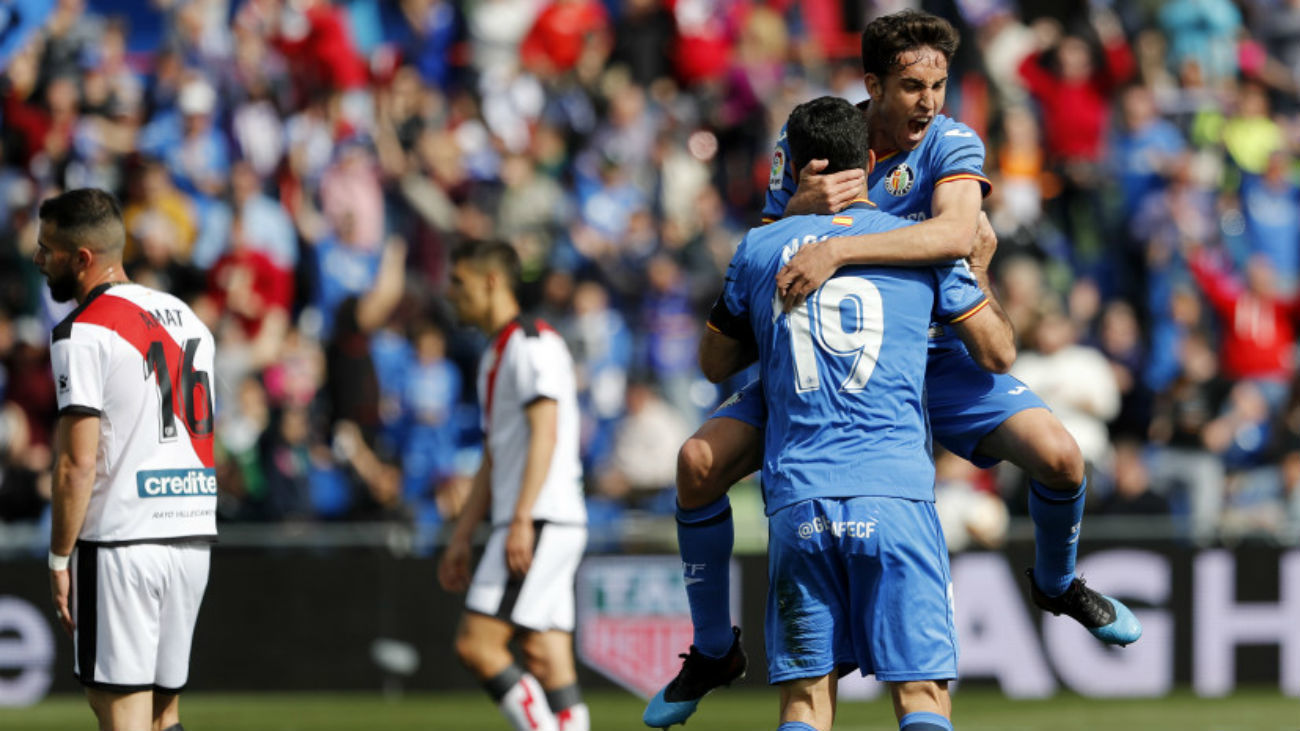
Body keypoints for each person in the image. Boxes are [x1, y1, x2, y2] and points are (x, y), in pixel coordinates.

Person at [649, 10, 1140, 727]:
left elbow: (954, 232)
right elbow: (765, 247)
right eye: (913, 86)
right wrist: (804, 212)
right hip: (835, 359)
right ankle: (715, 647)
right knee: (696, 462)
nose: (929, 103)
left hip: (935, 349)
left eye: (939, 84)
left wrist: (840, 246)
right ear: (872, 85)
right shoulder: (817, 139)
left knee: (1063, 458)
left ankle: (1057, 582)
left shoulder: (953, 140)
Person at [666, 95, 1012, 731]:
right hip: (896, 496)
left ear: (792, 168)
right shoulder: (919, 246)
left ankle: (712, 646)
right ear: (873, 161)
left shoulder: (759, 248)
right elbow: (998, 351)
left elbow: (715, 363)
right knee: (922, 700)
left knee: (804, 705)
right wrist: (979, 269)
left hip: (801, 499)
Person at [36, 188, 217, 731]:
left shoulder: (82, 332)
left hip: (121, 541)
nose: (41, 260)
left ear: (83, 258)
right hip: (190, 535)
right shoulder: (188, 318)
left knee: (121, 714)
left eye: (49, 250)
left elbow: (76, 464)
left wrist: (58, 558)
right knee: (165, 715)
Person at [438, 240, 589, 731]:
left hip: (539, 516)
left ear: (491, 281)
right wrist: (462, 534)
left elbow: (545, 429)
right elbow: (494, 455)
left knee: (477, 645)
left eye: (458, 283)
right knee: (548, 659)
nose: (449, 293)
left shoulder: (531, 343)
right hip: (545, 516)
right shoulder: (498, 352)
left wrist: (522, 517)